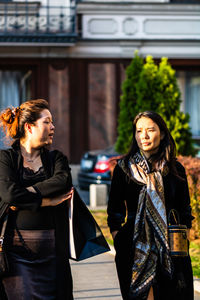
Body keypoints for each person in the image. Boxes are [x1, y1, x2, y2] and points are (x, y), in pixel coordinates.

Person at [107, 111, 194, 300]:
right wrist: (118, 237)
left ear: (162, 134)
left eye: (150, 130)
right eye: (139, 131)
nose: (143, 136)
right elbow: (114, 210)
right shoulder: (124, 169)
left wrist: (184, 234)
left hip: (170, 249)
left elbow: (184, 208)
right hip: (133, 247)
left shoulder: (174, 169)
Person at [0, 99, 74, 299]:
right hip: (16, 254)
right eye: (47, 122)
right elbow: (8, 194)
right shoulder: (5, 158)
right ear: (29, 127)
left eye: (52, 122)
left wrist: (26, 192)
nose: (53, 126)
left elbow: (62, 182)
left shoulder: (56, 159)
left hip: (52, 254)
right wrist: (44, 201)